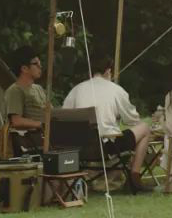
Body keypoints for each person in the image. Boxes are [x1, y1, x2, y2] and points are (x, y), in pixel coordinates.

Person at [62, 55, 151, 194]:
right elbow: (132, 119)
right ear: (108, 71)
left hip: (80, 148)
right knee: (145, 128)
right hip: (106, 147)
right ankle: (134, 175)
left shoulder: (76, 90)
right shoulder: (115, 90)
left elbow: (65, 117)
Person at [3, 46, 50, 154]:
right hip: (30, 142)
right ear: (24, 68)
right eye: (36, 63)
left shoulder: (39, 89)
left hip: (46, 138)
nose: (40, 66)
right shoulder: (15, 90)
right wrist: (41, 124)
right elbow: (16, 121)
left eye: (40, 62)